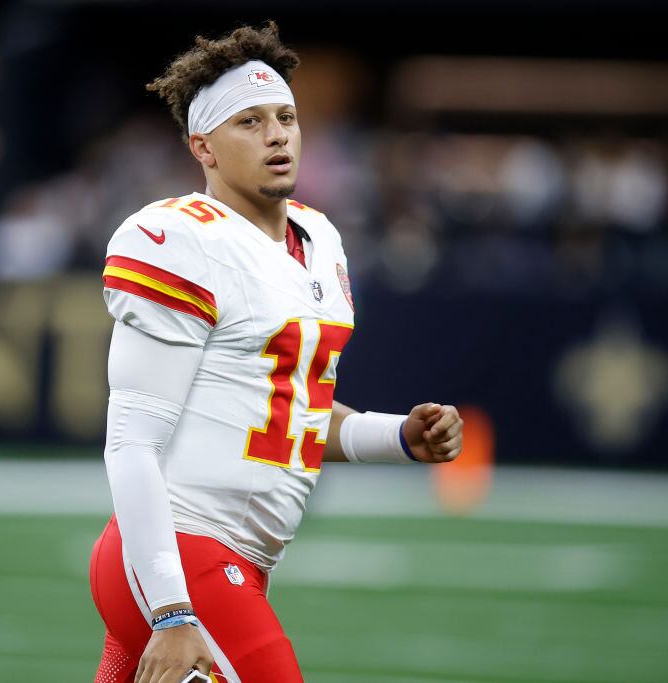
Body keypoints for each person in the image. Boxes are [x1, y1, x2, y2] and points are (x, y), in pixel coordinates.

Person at [89, 22, 464, 683]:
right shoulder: (179, 240)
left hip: (234, 566)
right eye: (250, 121)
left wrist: (398, 437)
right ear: (201, 145)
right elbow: (131, 443)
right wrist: (173, 611)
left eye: (286, 116)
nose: (277, 133)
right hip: (181, 558)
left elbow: (295, 413)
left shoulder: (318, 240)